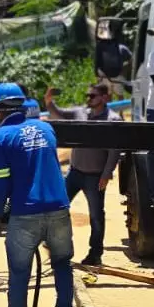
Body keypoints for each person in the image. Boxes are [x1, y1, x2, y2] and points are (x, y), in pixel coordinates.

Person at [0, 82, 74, 307]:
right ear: (21, 105)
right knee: (62, 263)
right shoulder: (46, 129)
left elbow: (1, 186)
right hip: (59, 208)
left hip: (25, 216)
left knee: (19, 279)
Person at [45, 83, 121, 266]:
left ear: (104, 98)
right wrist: (48, 102)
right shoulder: (81, 113)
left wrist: (106, 174)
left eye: (92, 96)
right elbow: (59, 114)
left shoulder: (113, 120)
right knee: (57, 206)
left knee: (96, 216)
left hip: (95, 177)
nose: (88, 99)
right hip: (75, 173)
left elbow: (115, 150)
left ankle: (95, 254)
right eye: (87, 95)